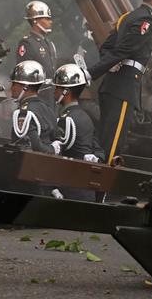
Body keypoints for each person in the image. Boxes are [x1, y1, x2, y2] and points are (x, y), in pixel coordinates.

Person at [87, 0, 152, 161]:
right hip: (124, 87)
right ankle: (102, 186)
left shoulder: (128, 16)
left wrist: (111, 65)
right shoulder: (146, 20)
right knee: (113, 143)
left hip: (113, 85)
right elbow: (124, 51)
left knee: (106, 138)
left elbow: (107, 47)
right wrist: (90, 73)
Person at [49, 64, 105, 201]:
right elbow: (99, 152)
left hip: (69, 193)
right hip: (87, 192)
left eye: (57, 87)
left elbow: (54, 156)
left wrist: (51, 186)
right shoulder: (86, 117)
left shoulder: (65, 120)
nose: (54, 91)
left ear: (65, 92)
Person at [8, 60, 55, 153]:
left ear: (25, 87)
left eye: (14, 84)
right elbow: (57, 140)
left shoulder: (24, 113)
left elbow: (33, 146)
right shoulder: (48, 109)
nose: (11, 88)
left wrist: (52, 150)